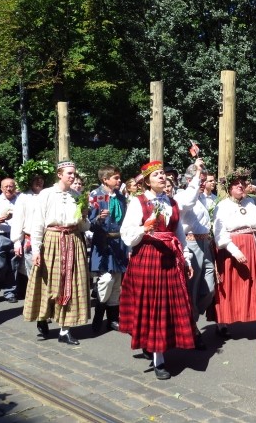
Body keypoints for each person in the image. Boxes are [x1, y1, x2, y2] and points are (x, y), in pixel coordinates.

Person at [119, 161, 194, 380]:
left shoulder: (172, 202)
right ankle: (158, 358)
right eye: (157, 175)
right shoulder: (138, 202)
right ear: (147, 181)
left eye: (163, 174)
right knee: (153, 305)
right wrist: (144, 228)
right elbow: (127, 234)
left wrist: (186, 259)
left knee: (167, 306)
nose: (162, 177)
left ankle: (158, 345)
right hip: (148, 257)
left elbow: (179, 234)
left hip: (170, 258)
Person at [23, 161, 91, 345]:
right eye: (69, 173)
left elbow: (84, 227)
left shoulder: (77, 195)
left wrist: (84, 215)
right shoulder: (46, 194)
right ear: (59, 174)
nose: (72, 176)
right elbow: (37, 223)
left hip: (74, 240)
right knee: (49, 284)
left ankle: (65, 329)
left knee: (71, 284)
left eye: (74, 174)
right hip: (52, 240)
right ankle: (43, 317)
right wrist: (36, 249)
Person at [212, 167, 256, 337]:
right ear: (229, 188)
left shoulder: (250, 203)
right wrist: (234, 251)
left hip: (251, 245)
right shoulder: (222, 206)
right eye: (236, 184)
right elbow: (219, 233)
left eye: (242, 183)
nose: (240, 187)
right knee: (229, 286)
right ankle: (222, 322)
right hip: (231, 249)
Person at [176, 159, 216, 350]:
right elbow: (188, 201)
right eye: (199, 180)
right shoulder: (182, 196)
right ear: (190, 180)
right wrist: (197, 171)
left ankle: (191, 318)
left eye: (203, 181)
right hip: (191, 243)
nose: (202, 183)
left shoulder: (204, 199)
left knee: (210, 287)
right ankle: (192, 328)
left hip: (205, 243)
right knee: (192, 288)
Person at [88, 165, 128, 333]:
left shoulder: (120, 196)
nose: (119, 181)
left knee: (117, 281)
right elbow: (89, 222)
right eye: (116, 178)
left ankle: (113, 318)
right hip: (103, 243)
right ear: (105, 179)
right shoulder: (96, 196)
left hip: (119, 243)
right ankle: (99, 313)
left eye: (119, 178)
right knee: (105, 280)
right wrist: (98, 218)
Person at [11, 160, 51, 295]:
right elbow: (18, 219)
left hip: (50, 238)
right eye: (35, 179)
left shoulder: (50, 195)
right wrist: (17, 241)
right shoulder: (23, 197)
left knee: (49, 272)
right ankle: (35, 305)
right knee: (33, 272)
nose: (39, 182)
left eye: (41, 179)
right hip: (30, 239)